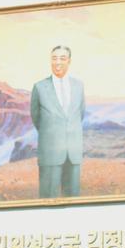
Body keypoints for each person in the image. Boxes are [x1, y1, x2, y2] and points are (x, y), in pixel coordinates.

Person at [30, 45, 85, 199]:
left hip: (73, 153)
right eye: (54, 58)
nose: (57, 62)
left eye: (62, 58)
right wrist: (52, 133)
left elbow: (80, 114)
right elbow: (36, 118)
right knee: (48, 200)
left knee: (74, 201)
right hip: (50, 152)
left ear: (69, 61)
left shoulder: (78, 86)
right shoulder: (39, 87)